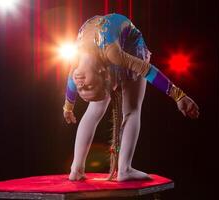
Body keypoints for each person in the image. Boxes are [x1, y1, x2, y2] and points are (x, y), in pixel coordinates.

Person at [62, 13, 199, 182]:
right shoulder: (79, 68)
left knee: (130, 108)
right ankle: (77, 168)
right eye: (83, 88)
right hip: (109, 43)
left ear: (105, 73)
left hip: (131, 45)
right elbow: (72, 81)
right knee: (105, 108)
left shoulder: (111, 54)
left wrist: (178, 95)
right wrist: (68, 105)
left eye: (87, 86)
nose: (81, 85)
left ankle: (122, 169)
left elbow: (146, 70)